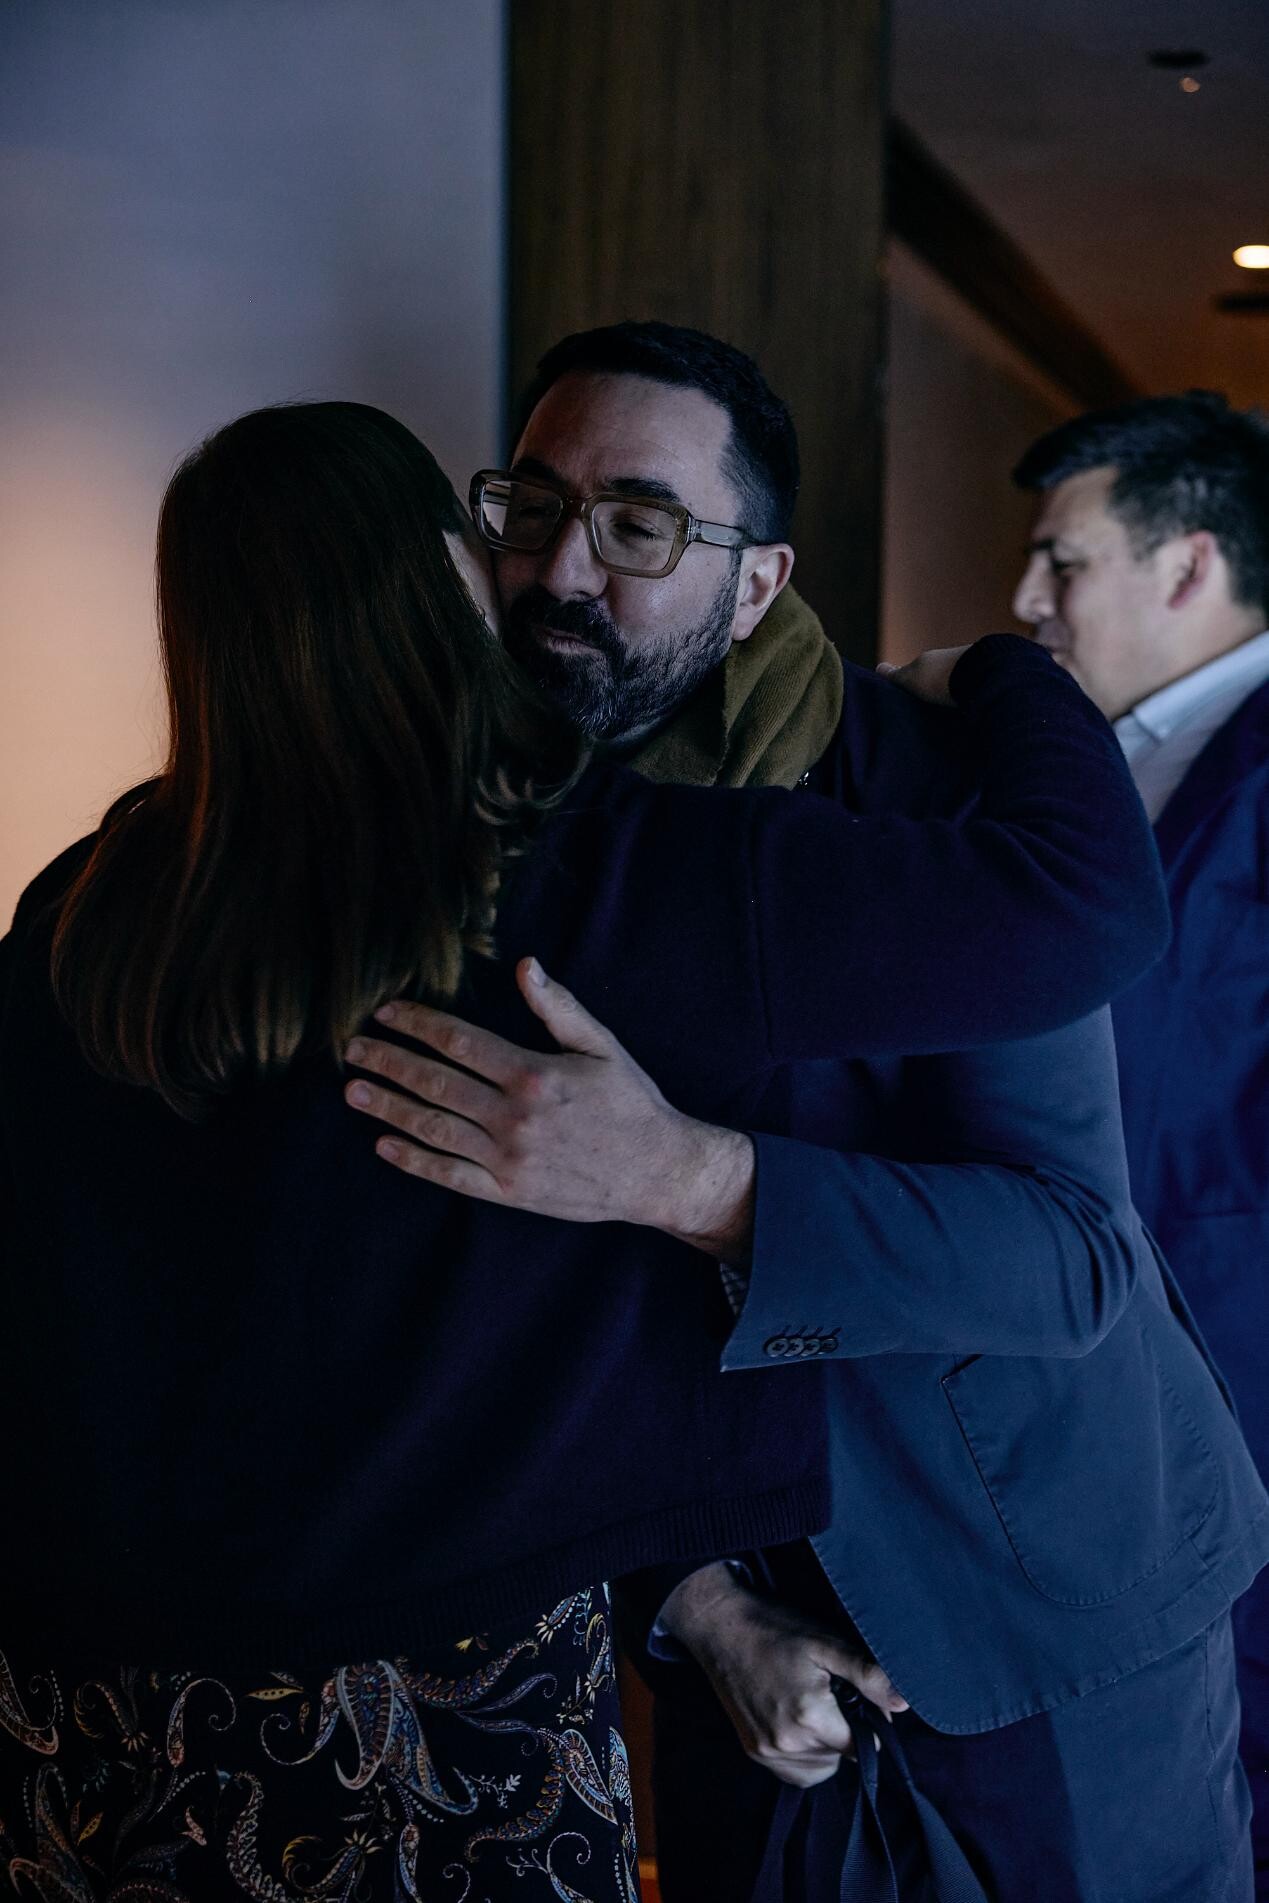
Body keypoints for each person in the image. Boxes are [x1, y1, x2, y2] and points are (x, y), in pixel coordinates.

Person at [0, 399, 1165, 1903]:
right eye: (523, 519)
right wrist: (1009, 674)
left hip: (76, 1705)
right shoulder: (594, 870)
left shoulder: (79, 906)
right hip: (426, 1728)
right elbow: (1088, 906)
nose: (553, 571)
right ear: (447, 572)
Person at [347, 324, 1269, 1901]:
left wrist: (687, 1177)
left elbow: (1068, 1260)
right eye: (533, 509)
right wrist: (695, 1604)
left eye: (640, 525)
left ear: (756, 584)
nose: (563, 570)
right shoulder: (457, 823)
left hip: (1041, 1611)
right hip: (717, 1638)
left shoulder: (944, 801)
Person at [1013, 388, 1269, 1894]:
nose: (1025, 597)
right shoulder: (1116, 758)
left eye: (1064, 559)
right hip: (1141, 1383)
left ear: (1186, 564)